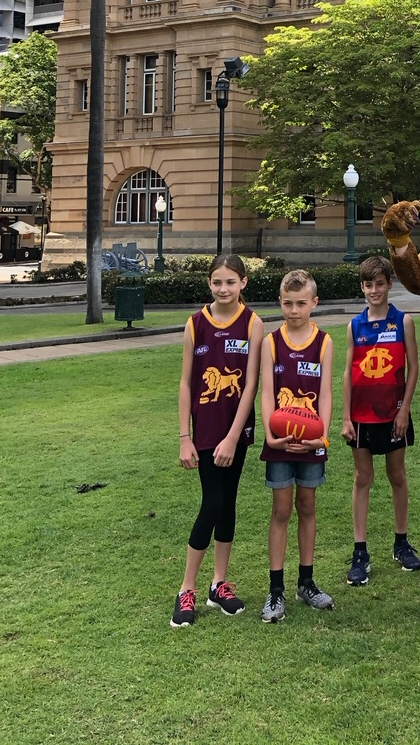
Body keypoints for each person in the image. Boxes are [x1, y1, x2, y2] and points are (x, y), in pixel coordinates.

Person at [171, 254, 264, 627]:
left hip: (235, 432)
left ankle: (219, 584)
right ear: (209, 284)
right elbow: (185, 383)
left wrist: (232, 437)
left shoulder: (253, 323)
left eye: (230, 282)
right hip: (206, 432)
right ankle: (186, 588)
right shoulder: (196, 323)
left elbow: (251, 384)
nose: (223, 289)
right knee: (212, 502)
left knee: (228, 504)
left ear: (243, 283)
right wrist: (184, 437)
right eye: (216, 282)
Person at [259, 268, 334, 622]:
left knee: (307, 506)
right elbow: (267, 393)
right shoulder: (271, 341)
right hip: (280, 440)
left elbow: (327, 394)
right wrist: (270, 435)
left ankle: (307, 581)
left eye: (301, 303)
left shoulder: (325, 342)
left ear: (314, 303)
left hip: (311, 441)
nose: (294, 310)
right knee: (281, 510)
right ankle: (276, 590)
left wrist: (323, 436)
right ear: (280, 303)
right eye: (288, 304)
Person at [342, 255, 420, 585]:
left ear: (390, 284)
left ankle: (401, 542)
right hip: (361, 416)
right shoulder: (354, 325)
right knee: (363, 477)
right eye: (367, 284)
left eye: (379, 284)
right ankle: (360, 551)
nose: (373, 290)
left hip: (393, 413)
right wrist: (346, 417)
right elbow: (349, 372)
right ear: (362, 287)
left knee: (397, 475)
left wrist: (404, 410)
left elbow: (414, 368)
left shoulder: (403, 322)